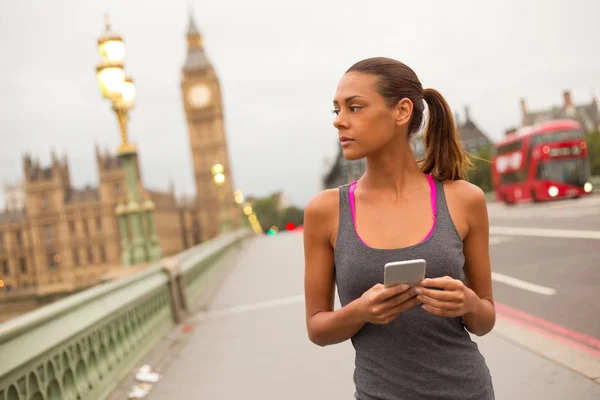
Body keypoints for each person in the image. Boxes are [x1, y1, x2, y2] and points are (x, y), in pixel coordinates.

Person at [303, 57, 495, 400]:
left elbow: (485, 320)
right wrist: (360, 311)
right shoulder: (325, 212)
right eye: (337, 110)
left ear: (402, 111)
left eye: (355, 107)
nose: (339, 122)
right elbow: (317, 328)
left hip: (468, 390)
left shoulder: (465, 200)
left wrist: (467, 302)